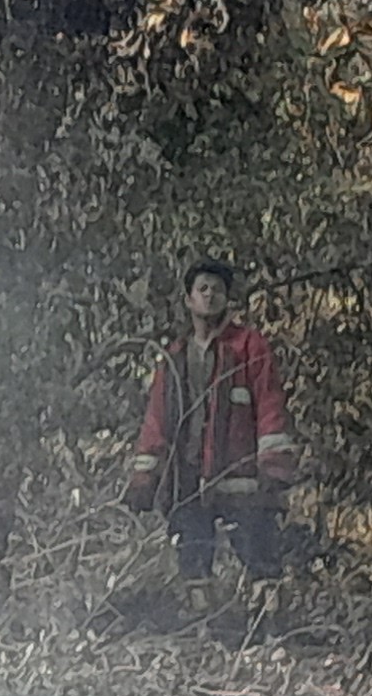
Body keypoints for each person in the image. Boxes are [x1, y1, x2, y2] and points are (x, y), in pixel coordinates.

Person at [124, 259, 298, 606]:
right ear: (188, 300)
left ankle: (271, 634)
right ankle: (205, 633)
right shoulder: (173, 358)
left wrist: (274, 466)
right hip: (187, 481)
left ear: (227, 299)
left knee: (260, 557)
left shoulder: (250, 348)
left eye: (217, 289)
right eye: (202, 288)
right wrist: (144, 478)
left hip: (242, 479)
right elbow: (156, 421)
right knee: (193, 561)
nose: (210, 294)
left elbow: (269, 406)